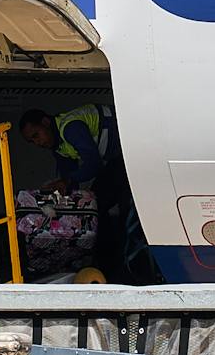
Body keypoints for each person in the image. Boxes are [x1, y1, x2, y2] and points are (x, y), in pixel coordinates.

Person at [18, 104, 141, 281]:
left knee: (106, 204)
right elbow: (69, 181)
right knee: (97, 203)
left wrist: (66, 182)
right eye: (32, 141)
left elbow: (93, 164)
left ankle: (120, 266)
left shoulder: (70, 128)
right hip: (117, 160)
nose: (37, 143)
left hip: (129, 155)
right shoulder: (59, 147)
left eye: (36, 135)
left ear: (45, 122)